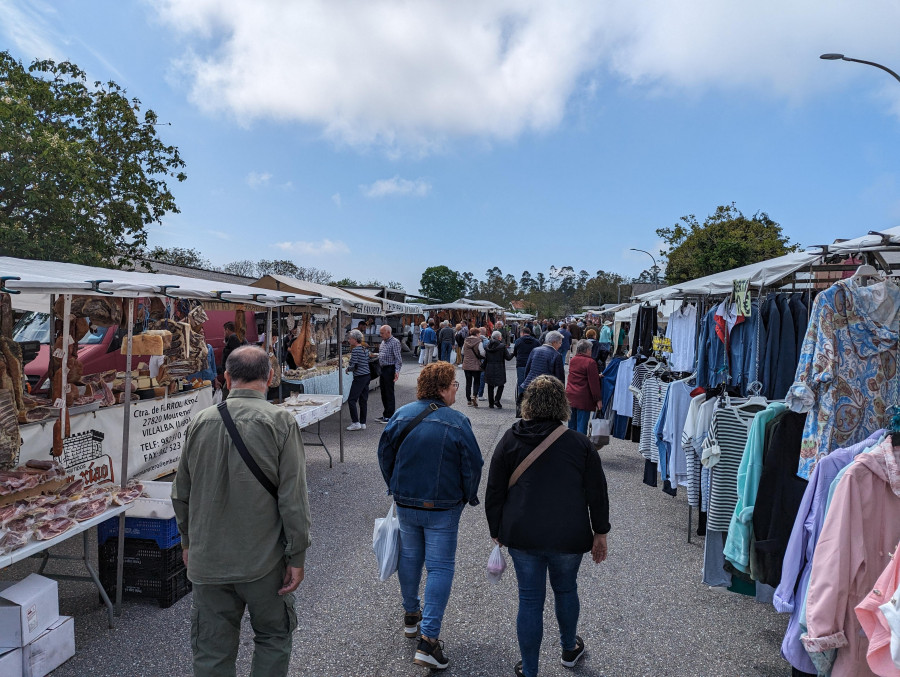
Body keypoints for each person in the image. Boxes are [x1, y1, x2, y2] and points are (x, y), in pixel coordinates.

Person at [172, 346, 311, 677]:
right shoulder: (280, 422)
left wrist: (187, 542)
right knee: (273, 637)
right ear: (270, 377)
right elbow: (294, 500)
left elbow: (181, 493)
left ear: (225, 378)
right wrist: (297, 556)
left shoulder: (200, 421)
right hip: (263, 561)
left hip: (208, 561)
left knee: (211, 653)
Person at [484, 375, 610, 677]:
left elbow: (494, 489)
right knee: (566, 590)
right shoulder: (579, 444)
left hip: (523, 532)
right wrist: (600, 532)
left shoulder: (510, 439)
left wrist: (496, 529)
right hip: (569, 534)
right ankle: (568, 648)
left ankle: (529, 669)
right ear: (562, 405)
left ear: (528, 404)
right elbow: (597, 491)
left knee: (529, 598)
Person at [377, 362, 484, 670]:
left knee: (410, 557)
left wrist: (395, 485)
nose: (456, 390)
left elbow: (385, 454)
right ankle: (429, 640)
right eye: (454, 384)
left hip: (407, 501)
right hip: (444, 505)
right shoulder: (458, 421)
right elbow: (472, 464)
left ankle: (412, 615)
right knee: (439, 567)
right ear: (441, 388)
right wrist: (467, 495)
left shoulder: (401, 415)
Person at [566, 340, 603, 434]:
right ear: (587, 350)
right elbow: (594, 384)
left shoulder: (573, 359)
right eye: (590, 350)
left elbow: (578, 374)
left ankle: (570, 446)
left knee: (571, 425)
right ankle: (580, 447)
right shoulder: (590, 362)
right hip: (583, 397)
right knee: (581, 427)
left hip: (571, 394)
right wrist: (598, 399)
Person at [373, 325, 402, 423]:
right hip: (383, 369)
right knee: (383, 392)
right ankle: (385, 414)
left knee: (389, 393)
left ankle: (390, 415)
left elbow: (398, 359)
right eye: (380, 333)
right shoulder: (383, 342)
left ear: (388, 332)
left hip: (390, 369)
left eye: (382, 333)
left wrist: (397, 371)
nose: (380, 335)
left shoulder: (395, 342)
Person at [345, 329, 370, 430]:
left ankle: (355, 422)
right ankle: (363, 422)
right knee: (363, 400)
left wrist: (348, 369)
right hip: (367, 375)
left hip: (359, 377)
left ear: (355, 339)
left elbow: (354, 364)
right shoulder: (365, 349)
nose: (349, 340)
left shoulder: (355, 350)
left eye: (350, 338)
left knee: (351, 399)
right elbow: (365, 361)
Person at [484, 330, 514, 408]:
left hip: (489, 367)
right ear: (499, 338)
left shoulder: (487, 346)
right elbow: (508, 358)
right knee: (501, 384)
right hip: (499, 367)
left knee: (490, 385)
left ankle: (491, 403)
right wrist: (513, 353)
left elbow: (486, 358)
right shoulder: (502, 346)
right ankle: (497, 399)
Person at [462, 328, 486, 407]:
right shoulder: (479, 342)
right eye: (479, 333)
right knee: (476, 381)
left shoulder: (466, 341)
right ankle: (474, 396)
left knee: (468, 383)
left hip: (466, 364)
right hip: (475, 364)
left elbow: (462, 352)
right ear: (477, 334)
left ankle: (468, 400)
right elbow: (482, 353)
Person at [512, 327, 539, 396]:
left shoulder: (518, 341)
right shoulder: (536, 342)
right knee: (532, 382)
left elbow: (515, 352)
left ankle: (521, 399)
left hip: (521, 364)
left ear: (522, 333)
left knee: (521, 382)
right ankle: (531, 397)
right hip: (533, 364)